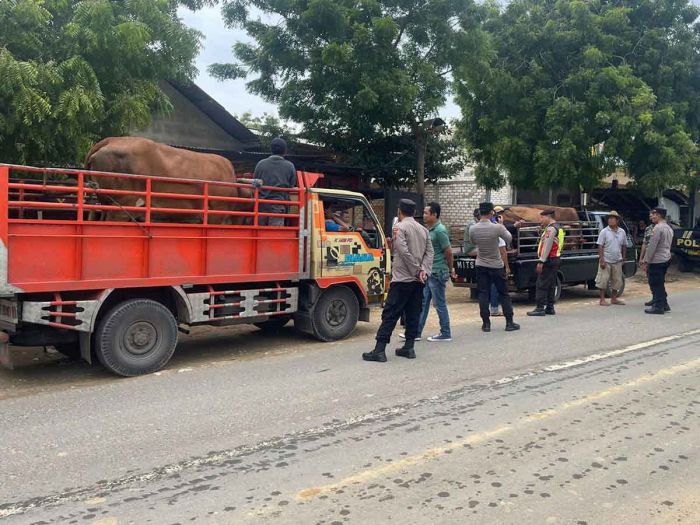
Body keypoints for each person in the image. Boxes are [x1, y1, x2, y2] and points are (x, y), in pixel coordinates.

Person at [363, 199, 433, 362]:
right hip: (418, 280)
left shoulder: (399, 227)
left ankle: (379, 350)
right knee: (413, 312)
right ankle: (409, 347)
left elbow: (403, 250)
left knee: (390, 313)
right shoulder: (423, 230)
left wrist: (416, 270)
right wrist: (423, 271)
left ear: (399, 211)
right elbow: (430, 253)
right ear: (415, 212)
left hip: (402, 278)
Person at [407, 202, 456, 342]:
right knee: (423, 303)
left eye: (426, 213)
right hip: (430, 272)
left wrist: (450, 268)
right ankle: (416, 332)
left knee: (439, 304)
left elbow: (448, 251)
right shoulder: (430, 230)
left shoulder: (440, 230)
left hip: (438, 272)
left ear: (434, 215)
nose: (424, 215)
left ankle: (445, 332)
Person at [469, 202, 519, 333]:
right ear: (492, 212)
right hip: (496, 264)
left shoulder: (473, 228)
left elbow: (473, 242)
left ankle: (486, 324)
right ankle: (509, 322)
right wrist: (501, 225)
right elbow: (508, 239)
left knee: (483, 293)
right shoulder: (497, 228)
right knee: (503, 293)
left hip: (481, 263)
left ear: (479, 213)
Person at [527, 209, 563, 317]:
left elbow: (547, 245)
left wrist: (541, 261)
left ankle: (539, 308)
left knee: (541, 284)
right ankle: (550, 307)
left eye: (542, 217)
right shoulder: (558, 227)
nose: (541, 220)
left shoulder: (551, 229)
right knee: (551, 284)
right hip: (555, 258)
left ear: (548, 217)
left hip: (548, 260)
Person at [253, 137, 297, 226]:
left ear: (271, 149)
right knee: (274, 235)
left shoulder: (260, 164)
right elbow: (291, 186)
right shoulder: (290, 166)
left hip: (261, 206)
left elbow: (255, 181)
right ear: (285, 151)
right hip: (278, 206)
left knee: (259, 235)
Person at [642, 207, 674, 314]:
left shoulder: (658, 228)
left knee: (655, 283)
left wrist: (646, 261)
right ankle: (664, 304)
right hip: (666, 257)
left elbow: (652, 246)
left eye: (654, 214)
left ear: (659, 215)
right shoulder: (669, 228)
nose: (652, 216)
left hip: (657, 260)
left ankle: (658, 306)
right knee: (660, 282)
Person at [595, 211, 628, 306]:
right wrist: (602, 259)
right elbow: (600, 246)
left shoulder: (622, 232)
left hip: (617, 259)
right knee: (603, 280)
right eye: (609, 218)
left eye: (612, 218)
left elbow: (624, 245)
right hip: (606, 259)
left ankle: (614, 298)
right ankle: (602, 300)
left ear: (617, 220)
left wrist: (623, 258)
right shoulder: (604, 232)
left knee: (617, 280)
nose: (610, 220)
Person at [490, 213, 510, 316]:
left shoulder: (484, 230)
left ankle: (489, 311)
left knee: (486, 288)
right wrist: (507, 267)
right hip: (497, 264)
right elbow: (503, 252)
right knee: (497, 286)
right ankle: (495, 309)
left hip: (484, 263)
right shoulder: (499, 233)